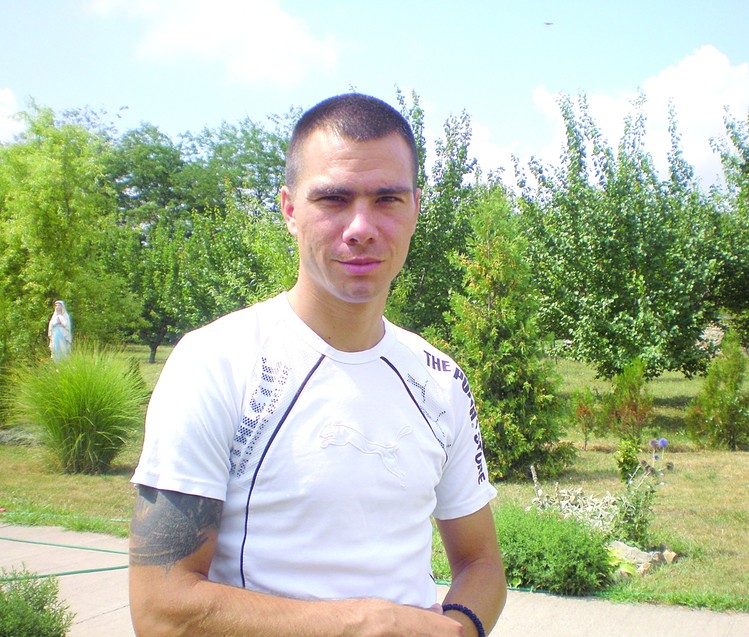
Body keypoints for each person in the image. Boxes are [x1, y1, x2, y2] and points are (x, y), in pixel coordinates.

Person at [129, 93, 506, 637]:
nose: (361, 226)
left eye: (388, 199)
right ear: (289, 209)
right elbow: (161, 609)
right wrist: (365, 623)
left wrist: (460, 629)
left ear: (416, 209)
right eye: (333, 198)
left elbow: (481, 563)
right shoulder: (215, 363)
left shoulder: (440, 379)